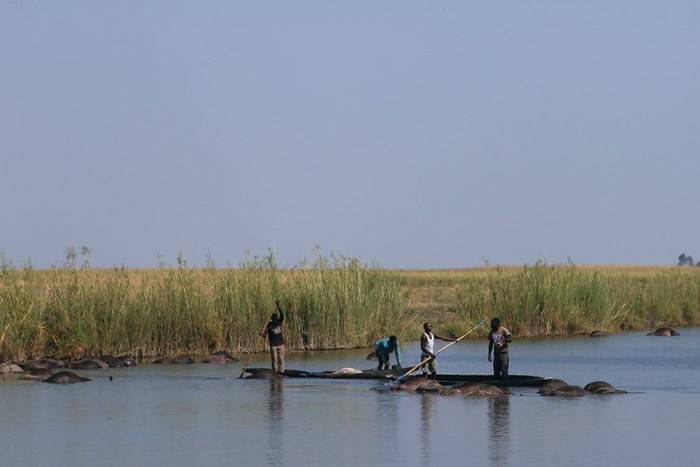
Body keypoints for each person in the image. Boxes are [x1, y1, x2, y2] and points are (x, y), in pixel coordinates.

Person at [262, 300, 285, 373]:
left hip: (278, 345)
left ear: (272, 318)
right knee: (278, 360)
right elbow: (265, 335)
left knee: (277, 360)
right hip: (275, 345)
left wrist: (278, 306)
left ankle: (280, 372)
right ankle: (277, 372)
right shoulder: (269, 324)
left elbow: (264, 335)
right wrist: (278, 306)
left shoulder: (278, 322)